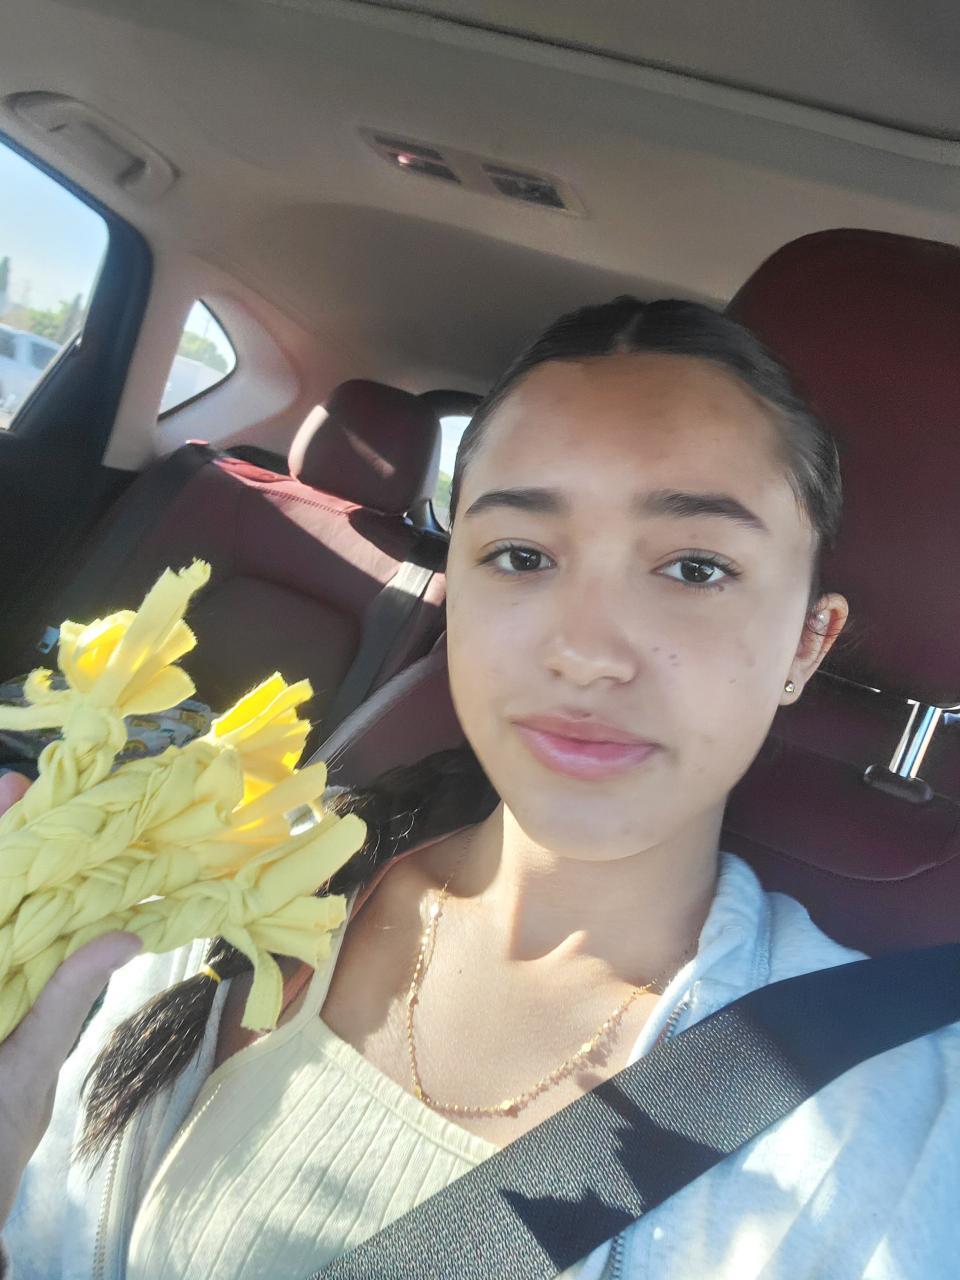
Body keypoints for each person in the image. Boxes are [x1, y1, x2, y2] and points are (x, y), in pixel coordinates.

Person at [2, 297, 958, 1279]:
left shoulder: (891, 1115)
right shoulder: (231, 887)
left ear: (806, 643)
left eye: (696, 568)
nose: (584, 652)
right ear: (456, 585)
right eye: (521, 555)